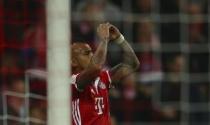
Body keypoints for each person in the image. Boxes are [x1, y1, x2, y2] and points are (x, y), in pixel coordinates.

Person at [71, 23, 139, 125]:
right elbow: (96, 67)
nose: (92, 55)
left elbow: (133, 64)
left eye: (91, 52)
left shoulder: (103, 77)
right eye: (86, 53)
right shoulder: (73, 81)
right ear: (73, 62)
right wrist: (104, 39)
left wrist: (119, 39)